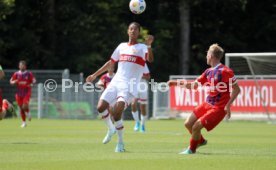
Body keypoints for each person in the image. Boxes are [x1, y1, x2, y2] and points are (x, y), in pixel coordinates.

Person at [86, 22, 154, 152]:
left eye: (135, 29)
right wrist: (94, 75)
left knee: (117, 112)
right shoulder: (121, 46)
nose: (133, 31)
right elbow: (110, 62)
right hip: (116, 82)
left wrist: (149, 45)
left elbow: (150, 59)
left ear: (139, 32)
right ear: (128, 31)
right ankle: (111, 128)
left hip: (129, 86)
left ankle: (120, 143)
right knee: (100, 107)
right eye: (131, 29)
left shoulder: (142, 47)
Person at [168, 44, 240, 154]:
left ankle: (191, 150)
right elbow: (194, 85)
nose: (206, 56)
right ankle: (200, 141)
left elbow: (237, 89)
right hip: (208, 103)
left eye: (207, 54)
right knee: (188, 124)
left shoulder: (225, 71)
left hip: (218, 107)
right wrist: (176, 83)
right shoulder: (208, 72)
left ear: (211, 55)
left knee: (196, 126)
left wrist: (228, 105)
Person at [10, 60, 36, 128]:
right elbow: (11, 81)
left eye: (22, 65)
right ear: (19, 66)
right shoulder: (16, 74)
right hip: (19, 93)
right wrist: (14, 82)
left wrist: (31, 84)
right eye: (20, 65)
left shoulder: (29, 73)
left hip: (27, 92)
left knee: (24, 106)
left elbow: (34, 80)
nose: (21, 66)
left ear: (25, 66)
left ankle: (28, 113)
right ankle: (24, 122)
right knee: (21, 108)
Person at [131, 63, 150, 132]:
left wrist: (140, 76)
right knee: (133, 104)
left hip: (143, 86)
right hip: (134, 85)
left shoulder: (143, 64)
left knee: (143, 107)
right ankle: (137, 122)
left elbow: (148, 77)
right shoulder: (130, 63)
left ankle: (142, 124)